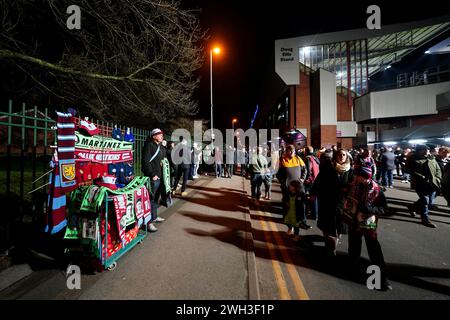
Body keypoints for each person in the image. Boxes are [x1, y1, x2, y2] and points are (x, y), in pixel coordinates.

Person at [344, 165, 392, 291]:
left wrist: (368, 209)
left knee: (374, 251)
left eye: (361, 176)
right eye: (358, 176)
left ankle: (381, 279)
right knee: (354, 248)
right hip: (353, 222)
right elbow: (346, 200)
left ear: (368, 176)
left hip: (368, 224)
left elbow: (384, 209)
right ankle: (354, 269)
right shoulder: (352, 186)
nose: (358, 178)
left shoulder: (376, 190)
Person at [311, 148, 353, 257]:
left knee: (338, 227)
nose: (342, 156)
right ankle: (331, 248)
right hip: (327, 201)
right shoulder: (328, 167)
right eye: (340, 154)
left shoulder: (350, 170)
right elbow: (318, 181)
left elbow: (353, 186)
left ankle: (332, 245)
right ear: (335, 156)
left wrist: (347, 189)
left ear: (347, 157)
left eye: (344, 155)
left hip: (341, 204)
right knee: (327, 226)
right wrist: (313, 193)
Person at [407, 144, 442, 228]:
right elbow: (411, 170)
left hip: (433, 183)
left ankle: (412, 207)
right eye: (424, 150)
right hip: (420, 183)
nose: (427, 151)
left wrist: (438, 178)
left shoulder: (431, 158)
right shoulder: (413, 159)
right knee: (425, 201)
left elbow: (437, 169)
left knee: (429, 201)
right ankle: (425, 219)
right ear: (419, 150)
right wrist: (423, 177)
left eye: (427, 150)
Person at [277, 144, 310, 229]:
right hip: (287, 187)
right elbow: (278, 173)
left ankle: (303, 221)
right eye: (289, 151)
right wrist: (283, 182)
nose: (291, 152)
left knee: (301, 204)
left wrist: (302, 179)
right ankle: (286, 220)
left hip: (299, 186)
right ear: (286, 151)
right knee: (287, 203)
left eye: (293, 151)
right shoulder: (282, 160)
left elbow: (304, 170)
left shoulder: (298, 159)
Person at [141, 128, 166, 232]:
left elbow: (163, 156)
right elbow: (145, 162)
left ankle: (154, 216)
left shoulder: (158, 146)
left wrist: (163, 146)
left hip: (159, 176)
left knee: (156, 199)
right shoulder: (149, 145)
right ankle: (149, 223)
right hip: (153, 177)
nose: (162, 136)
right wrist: (152, 174)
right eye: (159, 135)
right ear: (154, 136)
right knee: (150, 200)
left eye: (162, 134)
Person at [303, 146, 320, 220]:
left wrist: (306, 179)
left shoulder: (307, 159)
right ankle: (315, 215)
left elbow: (308, 170)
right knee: (314, 198)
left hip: (309, 181)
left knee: (306, 197)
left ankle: (306, 212)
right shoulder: (316, 158)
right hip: (315, 180)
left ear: (306, 151)